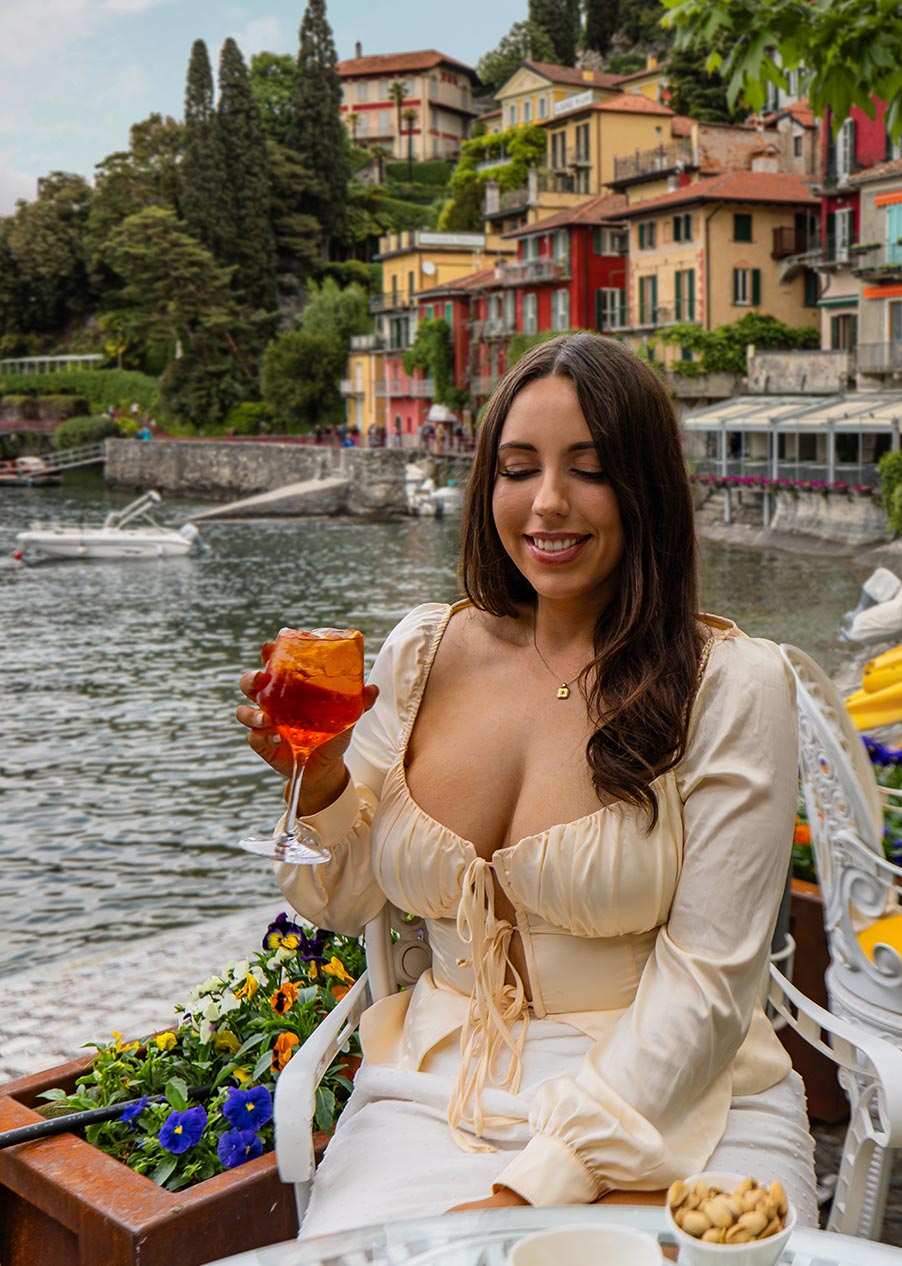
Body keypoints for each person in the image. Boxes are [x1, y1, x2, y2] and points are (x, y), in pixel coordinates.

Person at [235, 333, 816, 1237]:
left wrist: (529, 1190)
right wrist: (321, 776)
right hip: (436, 1093)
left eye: (588, 470)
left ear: (647, 488)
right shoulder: (422, 653)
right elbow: (341, 901)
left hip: (675, 1098)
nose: (547, 503)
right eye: (518, 468)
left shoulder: (736, 684)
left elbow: (708, 983)